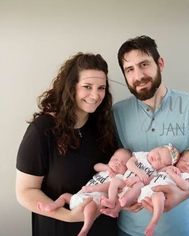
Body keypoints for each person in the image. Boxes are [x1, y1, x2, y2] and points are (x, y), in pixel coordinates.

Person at [111, 35, 189, 236]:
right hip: (129, 229)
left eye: (144, 64)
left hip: (180, 229)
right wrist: (120, 197)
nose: (138, 75)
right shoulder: (116, 113)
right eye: (129, 69)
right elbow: (115, 165)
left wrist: (185, 191)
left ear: (160, 63)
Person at [16, 52, 120, 236]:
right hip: (59, 228)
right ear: (71, 87)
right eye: (87, 87)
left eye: (101, 88)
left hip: (104, 228)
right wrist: (70, 216)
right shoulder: (42, 130)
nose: (95, 95)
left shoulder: (104, 126)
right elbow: (25, 191)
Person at [37, 148, 131, 236]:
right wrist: (107, 168)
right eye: (115, 159)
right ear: (110, 159)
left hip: (94, 199)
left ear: (127, 169)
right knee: (65, 196)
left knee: (90, 208)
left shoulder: (119, 178)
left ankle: (85, 229)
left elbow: (108, 186)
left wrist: (92, 189)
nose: (118, 163)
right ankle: (52, 206)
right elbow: (96, 166)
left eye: (123, 164)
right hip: (81, 195)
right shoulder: (105, 170)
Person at [137, 149, 189, 236]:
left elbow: (185, 186)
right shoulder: (171, 168)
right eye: (184, 160)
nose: (187, 164)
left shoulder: (186, 176)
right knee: (134, 189)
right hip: (147, 188)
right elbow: (156, 173)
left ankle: (154, 220)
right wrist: (167, 169)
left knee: (158, 196)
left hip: (161, 194)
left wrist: (172, 173)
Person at [100, 143, 180, 212]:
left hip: (133, 192)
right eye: (158, 153)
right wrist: (139, 172)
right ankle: (111, 200)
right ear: (155, 148)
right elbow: (129, 163)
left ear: (162, 167)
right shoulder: (142, 155)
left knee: (139, 185)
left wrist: (137, 179)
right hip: (124, 181)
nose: (157, 158)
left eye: (161, 161)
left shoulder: (155, 172)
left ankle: (120, 205)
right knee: (115, 180)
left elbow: (148, 181)